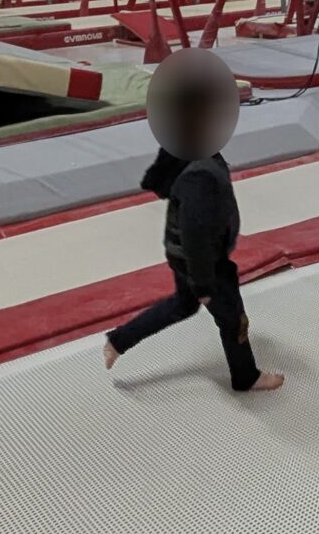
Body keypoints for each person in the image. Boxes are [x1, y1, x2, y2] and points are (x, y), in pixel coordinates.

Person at [103, 50, 283, 394]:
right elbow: (196, 232)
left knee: (182, 305)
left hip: (182, 253)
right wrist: (204, 286)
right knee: (232, 316)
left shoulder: (185, 150)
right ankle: (246, 375)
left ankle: (119, 340)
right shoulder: (201, 173)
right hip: (202, 262)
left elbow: (168, 188)